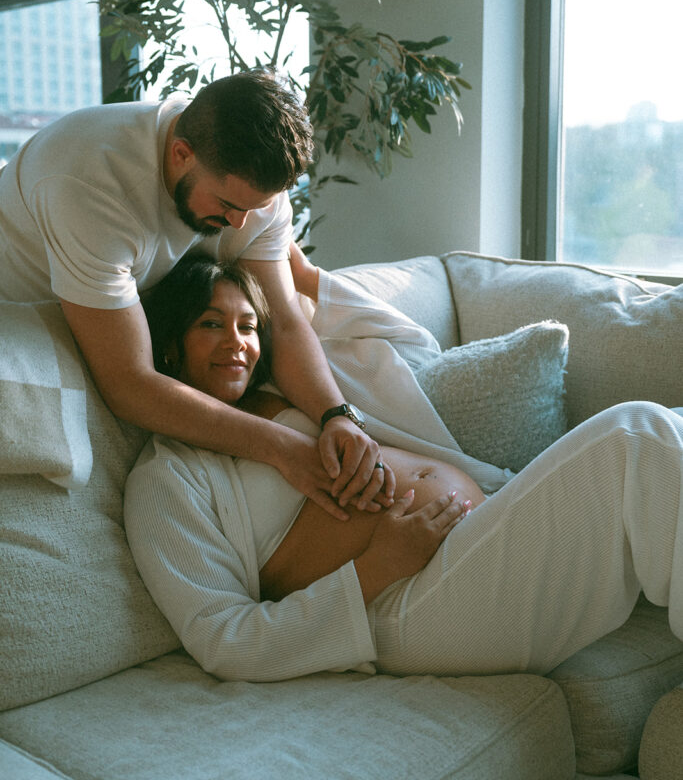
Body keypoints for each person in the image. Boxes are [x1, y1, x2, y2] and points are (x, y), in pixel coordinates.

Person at [124, 252, 683, 683]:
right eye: (212, 324)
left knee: (671, 428)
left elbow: (382, 335)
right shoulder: (168, 477)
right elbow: (226, 641)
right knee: (637, 436)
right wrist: (379, 565)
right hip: (403, 606)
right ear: (170, 345)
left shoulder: (299, 395)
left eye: (248, 326)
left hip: (480, 533)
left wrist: (297, 269)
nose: (238, 343)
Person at [0, 68, 393, 517]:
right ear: (180, 153)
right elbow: (128, 383)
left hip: (127, 307)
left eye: (254, 208)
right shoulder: (90, 185)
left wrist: (337, 415)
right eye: (227, 206)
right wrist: (284, 448)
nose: (240, 225)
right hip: (26, 315)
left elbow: (283, 321)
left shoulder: (249, 187)